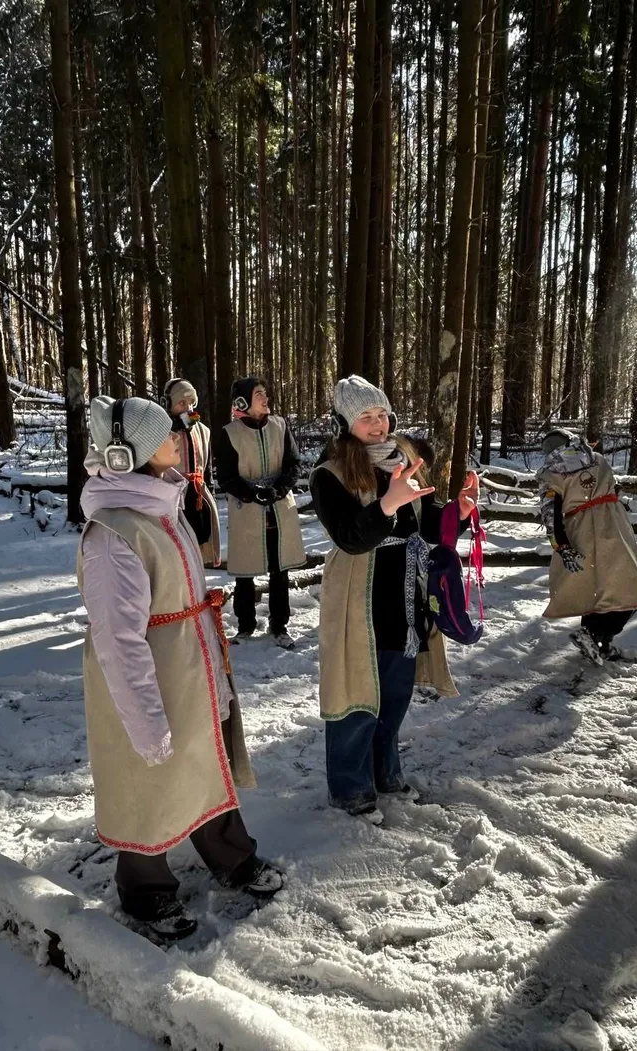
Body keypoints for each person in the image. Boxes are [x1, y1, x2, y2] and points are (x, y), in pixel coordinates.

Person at [78, 395, 284, 942]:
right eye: (169, 435)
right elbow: (119, 642)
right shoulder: (114, 534)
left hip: (190, 664)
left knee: (202, 758)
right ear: (135, 454)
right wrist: (144, 721)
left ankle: (233, 857)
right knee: (147, 777)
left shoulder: (161, 508)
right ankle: (146, 889)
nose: (180, 440)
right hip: (149, 675)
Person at [309, 375, 479, 824]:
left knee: (394, 694)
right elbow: (348, 536)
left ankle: (386, 773)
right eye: (365, 416)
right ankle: (350, 788)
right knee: (356, 695)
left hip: (405, 597)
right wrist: (386, 504)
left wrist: (456, 514)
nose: (377, 423)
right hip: (358, 597)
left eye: (381, 413)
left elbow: (424, 526)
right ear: (346, 423)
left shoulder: (402, 461)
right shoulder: (330, 474)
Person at [537, 428, 637, 664]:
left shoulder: (551, 474)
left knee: (592, 587)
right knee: (628, 586)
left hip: (580, 531)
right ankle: (600, 639)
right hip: (613, 527)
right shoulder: (597, 459)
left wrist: (560, 545)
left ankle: (594, 636)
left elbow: (550, 514)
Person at [216, 376, 305, 649]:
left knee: (280, 570)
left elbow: (293, 465)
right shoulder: (229, 433)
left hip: (279, 510)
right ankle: (245, 626)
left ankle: (280, 625)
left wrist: (277, 491)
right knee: (245, 571)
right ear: (243, 401)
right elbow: (227, 477)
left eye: (265, 393)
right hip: (247, 511)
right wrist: (251, 493)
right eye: (258, 394)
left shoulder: (280, 425)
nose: (265, 398)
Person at [162, 377, 221, 567]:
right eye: (181, 403)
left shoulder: (203, 430)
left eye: (191, 403)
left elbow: (207, 469)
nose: (188, 408)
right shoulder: (159, 433)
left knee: (199, 551)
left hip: (198, 498)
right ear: (167, 403)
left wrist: (207, 493)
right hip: (172, 501)